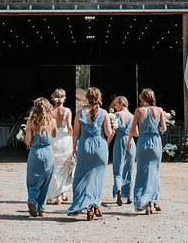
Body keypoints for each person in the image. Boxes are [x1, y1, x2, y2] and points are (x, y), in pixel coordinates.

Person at [67, 87, 113, 220]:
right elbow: (109, 133)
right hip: (100, 147)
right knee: (98, 178)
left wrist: (74, 148)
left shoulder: (80, 113)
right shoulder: (104, 113)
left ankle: (87, 206)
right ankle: (95, 204)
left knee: (82, 178)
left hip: (85, 146)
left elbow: (75, 134)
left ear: (86, 98)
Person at [127, 88, 166, 215]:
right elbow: (163, 128)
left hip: (143, 142)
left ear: (142, 99)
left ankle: (144, 202)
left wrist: (129, 141)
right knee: (154, 171)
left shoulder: (138, 111)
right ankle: (153, 200)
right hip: (155, 142)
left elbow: (132, 129)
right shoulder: (159, 110)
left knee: (142, 173)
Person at [25, 97, 58, 217]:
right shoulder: (52, 121)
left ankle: (32, 199)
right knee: (45, 181)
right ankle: (41, 209)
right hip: (48, 153)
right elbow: (54, 134)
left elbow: (28, 140)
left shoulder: (30, 121)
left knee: (32, 180)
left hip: (35, 152)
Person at [47, 88, 73, 204]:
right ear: (64, 97)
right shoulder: (67, 111)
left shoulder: (50, 111)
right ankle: (61, 195)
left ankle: (58, 195)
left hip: (53, 139)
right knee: (64, 167)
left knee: (55, 168)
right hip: (64, 140)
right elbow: (69, 127)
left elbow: (49, 127)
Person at [109, 96, 135, 206]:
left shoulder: (116, 116)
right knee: (129, 169)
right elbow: (136, 133)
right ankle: (129, 196)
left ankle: (118, 191)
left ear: (121, 104)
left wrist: (107, 143)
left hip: (119, 141)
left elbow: (112, 132)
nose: (114, 107)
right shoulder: (133, 116)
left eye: (115, 104)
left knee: (117, 168)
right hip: (131, 143)